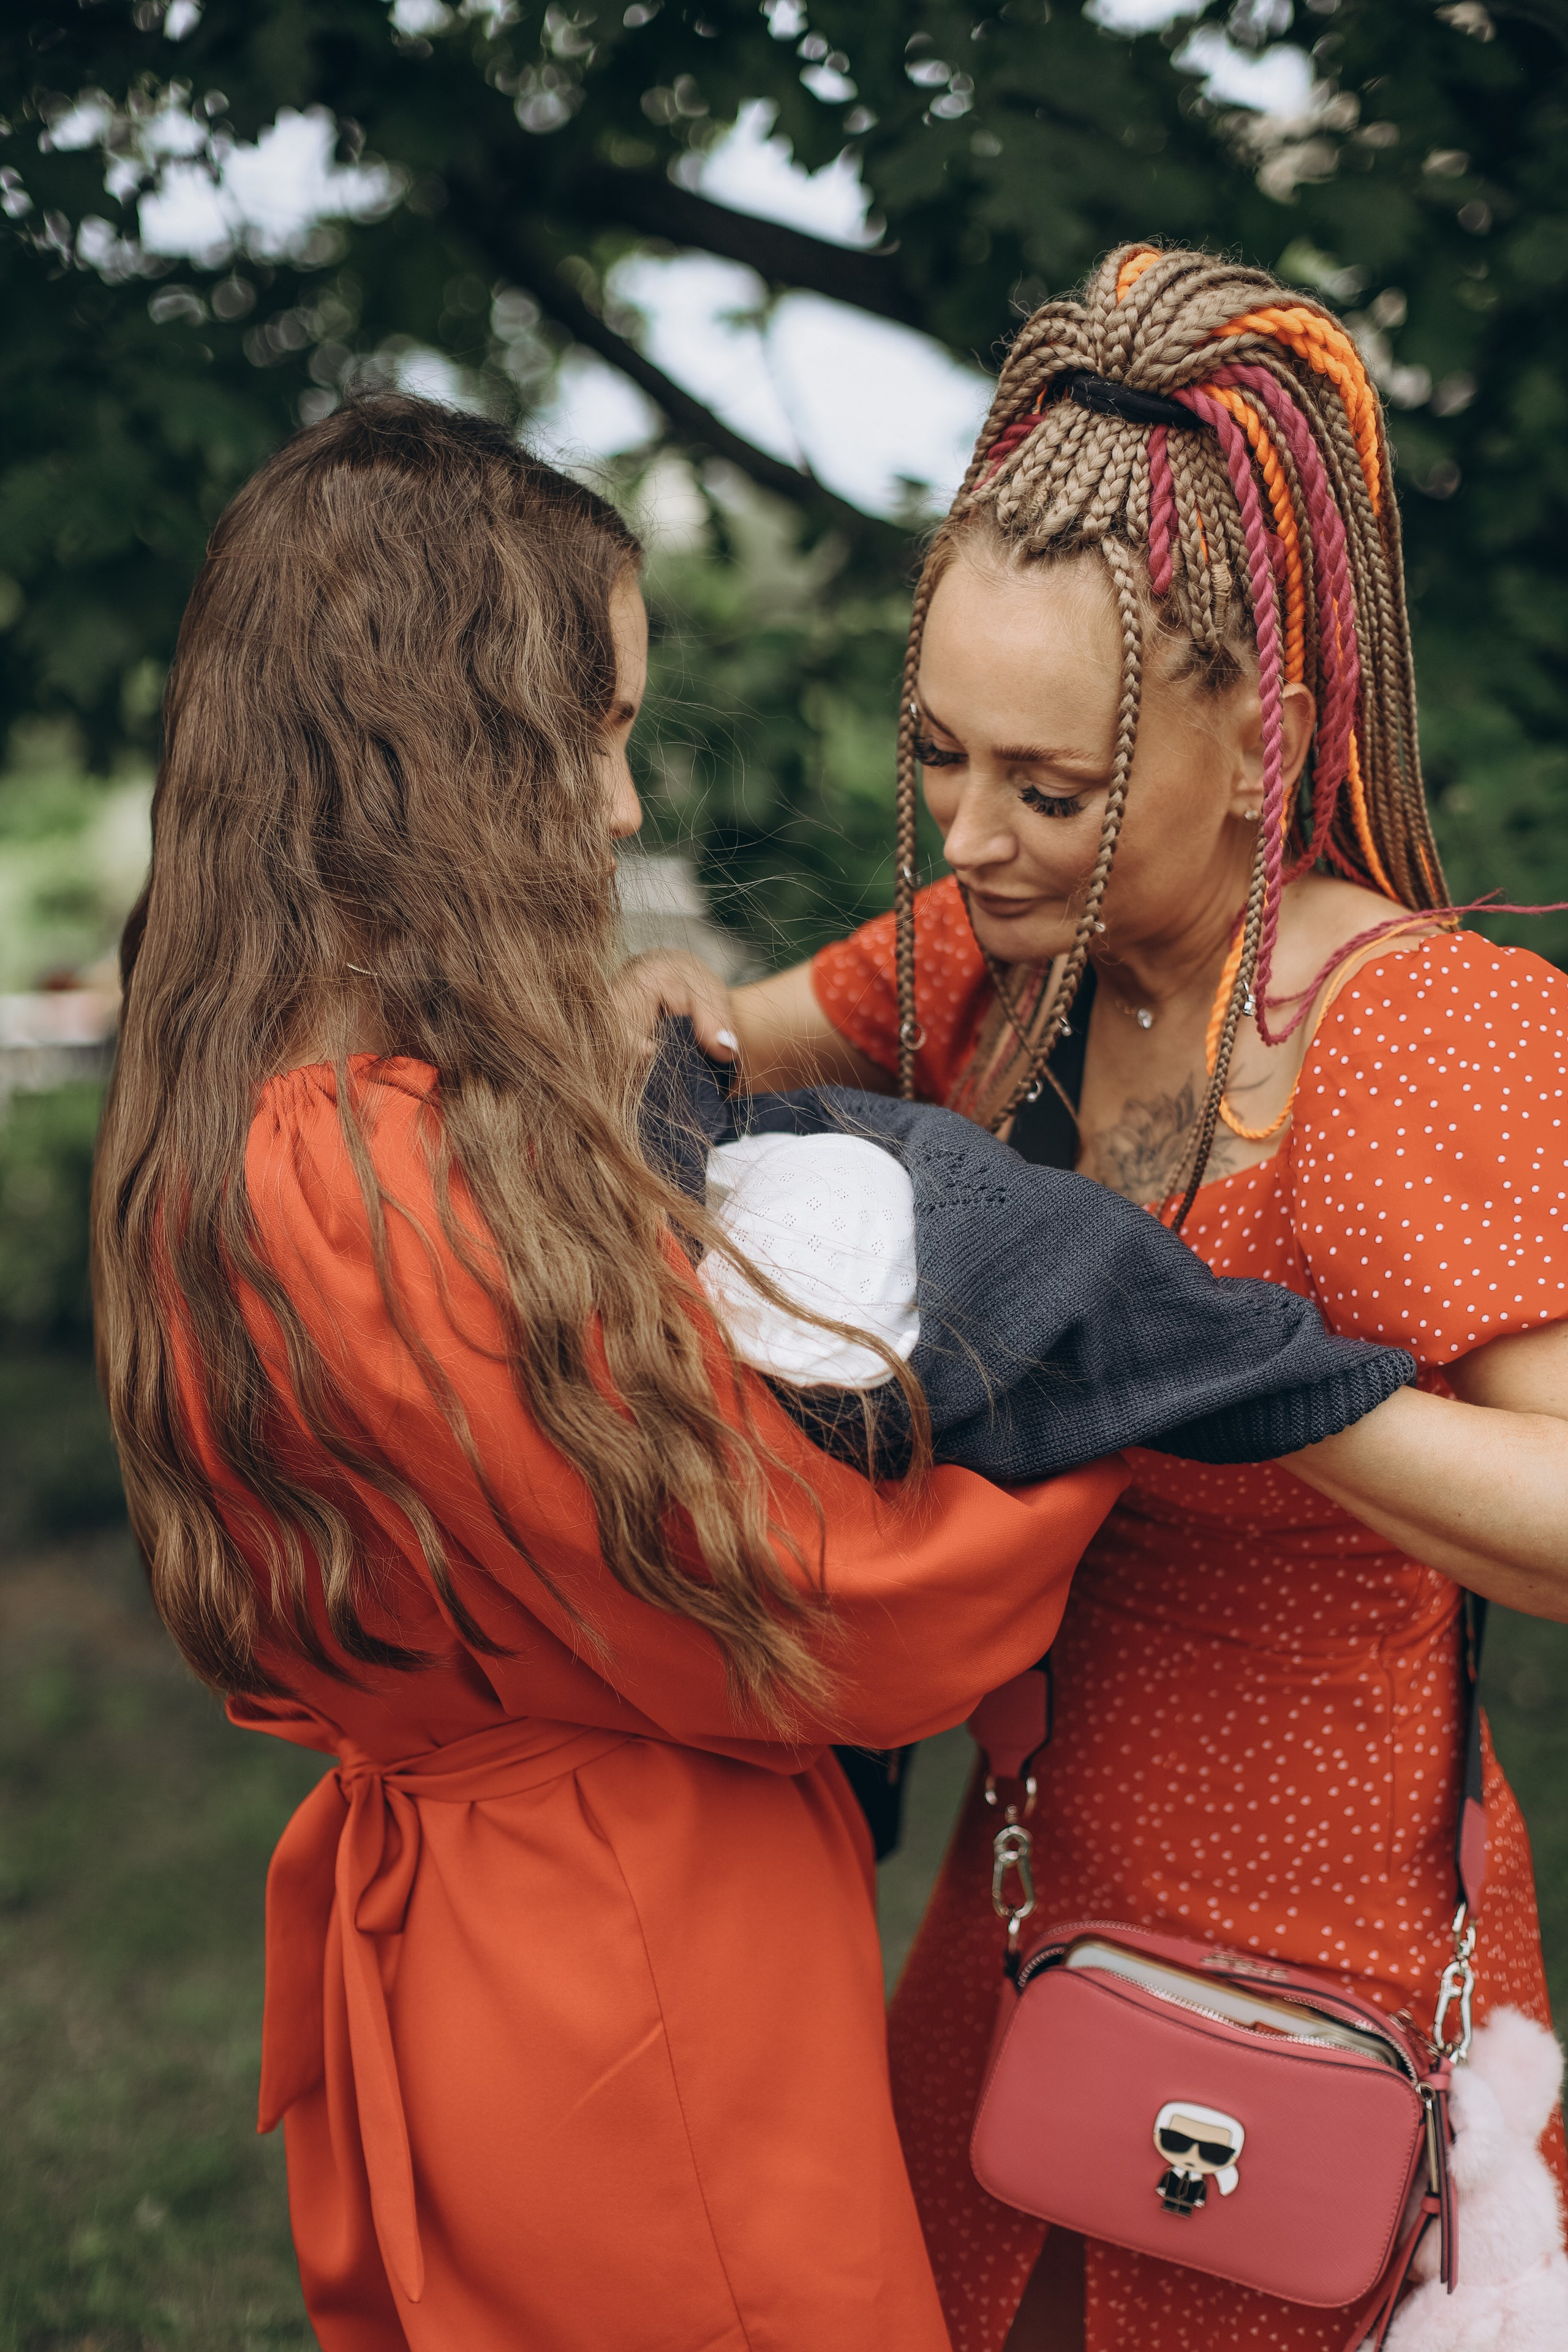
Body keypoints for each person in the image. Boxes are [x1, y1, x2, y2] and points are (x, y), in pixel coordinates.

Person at [627, 243, 1568, 2351]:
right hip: (1025, 1932)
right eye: (943, 756)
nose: (967, 839)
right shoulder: (998, 969)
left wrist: (1232, 1376)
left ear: (1276, 743)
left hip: (1319, 2011)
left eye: (1050, 789)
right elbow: (697, 1021)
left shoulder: (1411, 1040)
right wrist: (666, 1046)